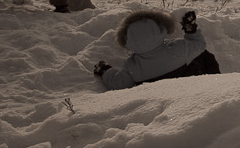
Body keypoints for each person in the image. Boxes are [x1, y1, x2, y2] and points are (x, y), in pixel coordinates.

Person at [93, 9, 221, 90]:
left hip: (160, 93)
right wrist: (192, 32)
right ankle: (215, 83)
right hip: (188, 85)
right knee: (203, 55)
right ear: (161, 29)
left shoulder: (132, 66)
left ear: (128, 41)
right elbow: (199, 44)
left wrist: (106, 71)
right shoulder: (176, 49)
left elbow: (118, 83)